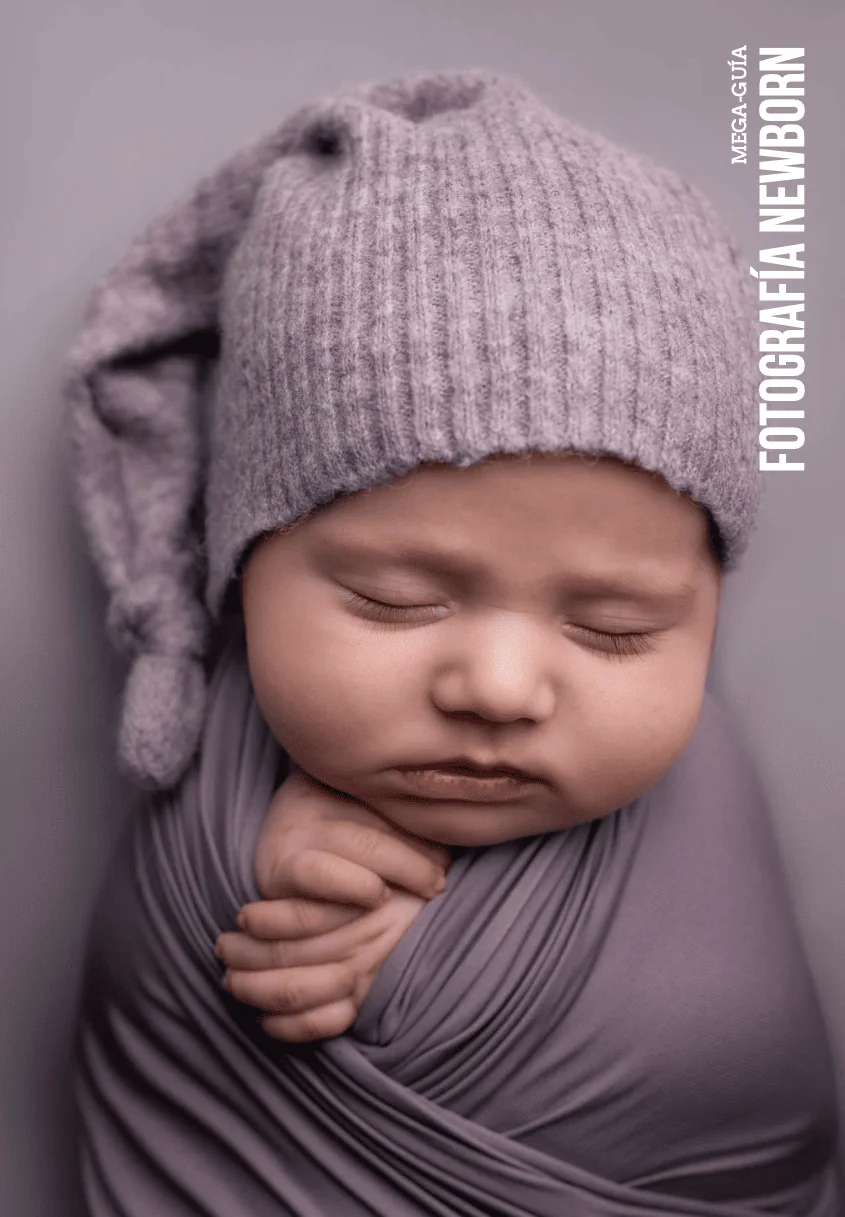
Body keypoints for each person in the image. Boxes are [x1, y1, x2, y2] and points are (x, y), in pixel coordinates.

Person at [63, 67, 842, 1215]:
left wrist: (433, 959)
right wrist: (240, 857)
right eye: (391, 598)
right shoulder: (206, 788)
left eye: (613, 627)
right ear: (239, 568)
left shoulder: (706, 813)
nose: (498, 684)